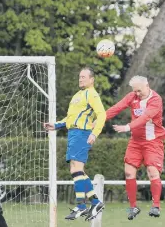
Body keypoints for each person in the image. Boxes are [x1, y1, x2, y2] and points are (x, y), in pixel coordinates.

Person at [44, 67, 106, 221]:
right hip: (73, 134)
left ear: (92, 80)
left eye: (84, 77)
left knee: (76, 169)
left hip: (82, 134)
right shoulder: (77, 95)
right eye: (80, 77)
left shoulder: (92, 94)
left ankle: (81, 205)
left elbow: (102, 114)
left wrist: (94, 133)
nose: (81, 79)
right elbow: (70, 118)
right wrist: (56, 125)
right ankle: (95, 202)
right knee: (77, 170)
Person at [105, 75, 165, 220]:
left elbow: (145, 117)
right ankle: (133, 207)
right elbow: (117, 108)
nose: (137, 94)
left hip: (152, 141)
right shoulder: (132, 96)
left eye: (139, 91)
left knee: (152, 171)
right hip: (135, 142)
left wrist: (127, 127)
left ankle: (156, 206)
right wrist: (100, 119)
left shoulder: (155, 100)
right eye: (135, 91)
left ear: (147, 85)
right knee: (128, 172)